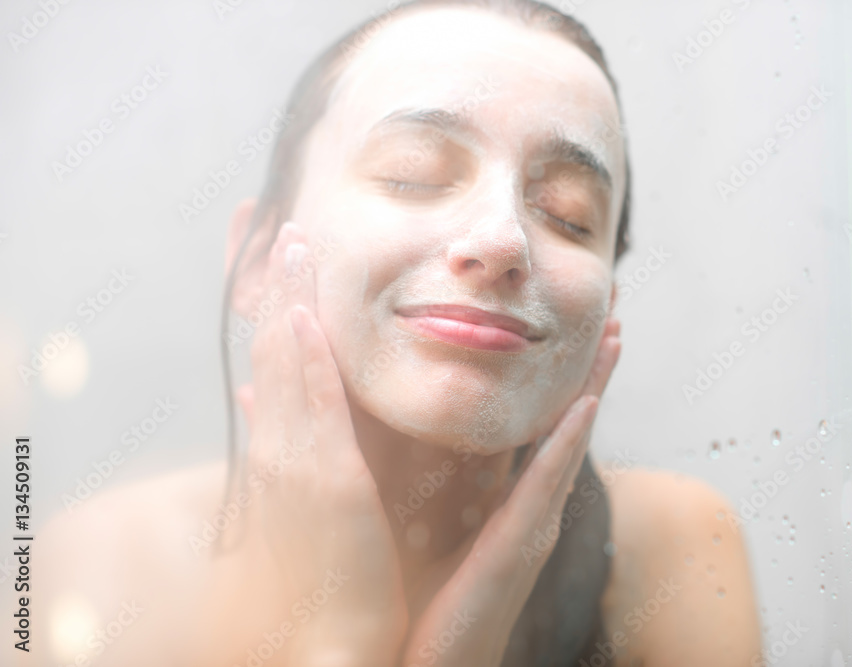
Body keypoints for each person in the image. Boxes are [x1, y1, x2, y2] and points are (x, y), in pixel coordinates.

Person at [31, 1, 762, 665]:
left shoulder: (668, 547)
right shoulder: (99, 566)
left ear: (606, 306)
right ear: (257, 261)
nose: (503, 239)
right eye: (413, 174)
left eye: (569, 214)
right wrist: (340, 641)